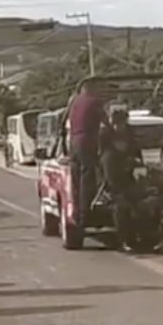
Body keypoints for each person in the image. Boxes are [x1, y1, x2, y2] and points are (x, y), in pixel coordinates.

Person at [99, 109, 143, 251]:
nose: (119, 127)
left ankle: (146, 235)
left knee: (148, 202)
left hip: (129, 181)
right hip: (111, 187)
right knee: (121, 207)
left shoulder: (130, 137)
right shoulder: (108, 154)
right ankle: (126, 240)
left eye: (122, 123)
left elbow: (138, 158)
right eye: (116, 123)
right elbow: (110, 178)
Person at [69, 80, 107, 227]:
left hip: (74, 143)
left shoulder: (75, 101)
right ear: (91, 89)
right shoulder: (94, 101)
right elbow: (105, 121)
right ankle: (86, 215)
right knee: (88, 178)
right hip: (86, 142)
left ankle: (77, 213)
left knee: (76, 180)